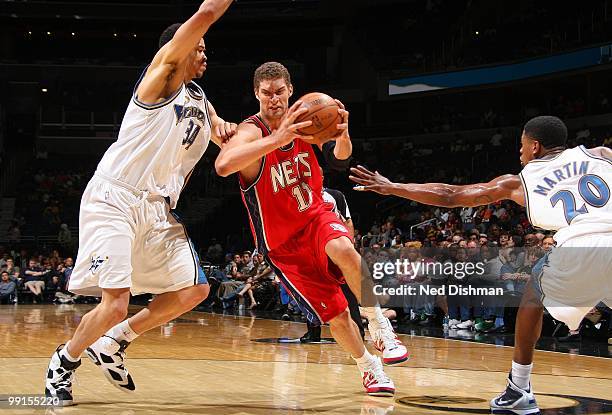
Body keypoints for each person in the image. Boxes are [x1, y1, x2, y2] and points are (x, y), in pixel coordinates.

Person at [350, 115, 611, 414]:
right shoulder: (601, 155)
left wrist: (393, 187)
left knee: (532, 293)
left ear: (535, 146)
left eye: (522, 146)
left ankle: (519, 389)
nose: (520, 152)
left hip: (582, 244)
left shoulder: (518, 182)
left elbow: (452, 195)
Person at [44, 0, 235, 406]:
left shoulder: (199, 97)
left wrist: (272, 133)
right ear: (180, 48)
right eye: (199, 47)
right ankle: (65, 360)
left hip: (157, 208)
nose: (205, 53)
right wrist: (210, 13)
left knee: (195, 290)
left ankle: (114, 341)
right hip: (115, 196)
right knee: (115, 303)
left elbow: (227, 143)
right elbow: (204, 15)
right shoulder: (160, 77)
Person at [215, 62, 408, 397]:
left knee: (344, 248)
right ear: (256, 94)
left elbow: (341, 158)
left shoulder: (308, 120)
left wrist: (343, 133)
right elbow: (222, 165)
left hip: (315, 216)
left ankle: (379, 324)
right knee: (337, 314)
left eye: (279, 92)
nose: (273, 99)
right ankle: (369, 368)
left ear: (290, 91)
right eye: (266, 93)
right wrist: (278, 138)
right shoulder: (252, 131)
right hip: (282, 245)